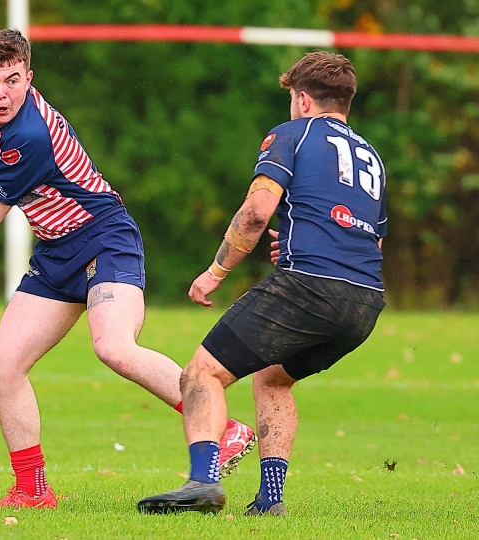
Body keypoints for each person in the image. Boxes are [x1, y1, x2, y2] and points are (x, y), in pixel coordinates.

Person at [0, 29, 256, 509]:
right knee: (2, 366)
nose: (0, 94)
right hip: (56, 251)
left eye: (13, 81)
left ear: (29, 78)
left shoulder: (29, 134)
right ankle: (32, 489)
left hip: (104, 238)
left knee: (115, 347)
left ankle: (224, 429)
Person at [137, 51, 387, 516]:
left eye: (293, 98)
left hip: (308, 288)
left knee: (202, 373)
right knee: (273, 380)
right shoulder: (371, 156)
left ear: (304, 99)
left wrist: (216, 273)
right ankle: (270, 501)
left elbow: (255, 213)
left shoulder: (292, 134)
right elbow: (364, 239)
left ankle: (203, 483)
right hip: (365, 301)